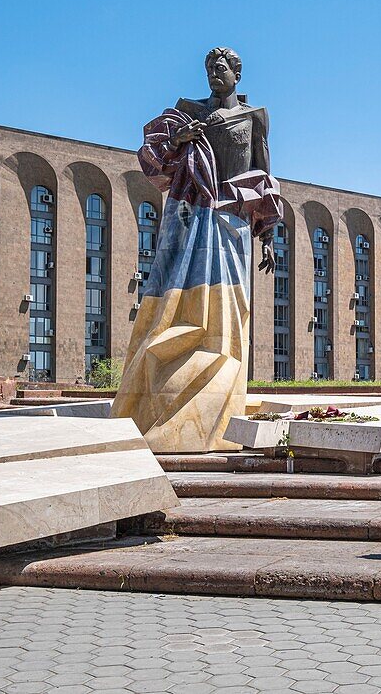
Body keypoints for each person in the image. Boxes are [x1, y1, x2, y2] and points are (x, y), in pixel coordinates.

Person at [113, 47, 281, 453]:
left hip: (232, 224)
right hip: (188, 219)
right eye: (209, 69)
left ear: (237, 74)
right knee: (175, 301)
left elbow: (263, 176)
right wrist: (180, 137)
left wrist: (269, 236)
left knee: (227, 314)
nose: (213, 75)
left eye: (220, 69)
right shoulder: (187, 111)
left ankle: (215, 399)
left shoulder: (254, 117)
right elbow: (158, 153)